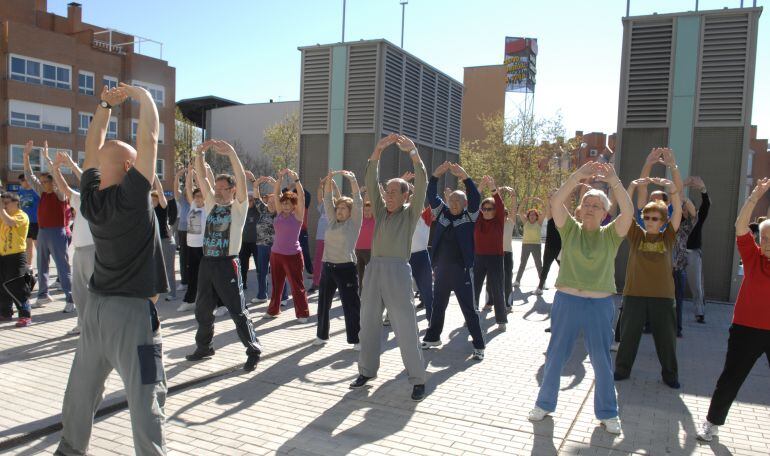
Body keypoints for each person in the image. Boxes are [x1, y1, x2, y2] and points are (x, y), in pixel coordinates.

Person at [57, 83, 168, 455]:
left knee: (81, 391)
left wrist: (104, 105)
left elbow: (91, 148)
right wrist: (142, 97)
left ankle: (69, 449)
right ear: (128, 167)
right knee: (147, 395)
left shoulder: (91, 201)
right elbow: (150, 136)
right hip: (132, 316)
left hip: (96, 310)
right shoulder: (132, 197)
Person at [529, 162, 633, 435]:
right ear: (579, 209)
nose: (589, 208)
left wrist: (613, 181)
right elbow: (556, 200)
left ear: (605, 213)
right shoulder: (570, 229)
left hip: (599, 305)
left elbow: (629, 212)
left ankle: (608, 414)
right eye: (586, 203)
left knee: (601, 360)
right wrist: (578, 176)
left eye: (596, 205)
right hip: (567, 300)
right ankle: (544, 404)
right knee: (555, 356)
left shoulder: (611, 235)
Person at [351, 133, 427, 402]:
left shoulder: (410, 212)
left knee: (406, 326)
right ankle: (366, 371)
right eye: (387, 192)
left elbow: (424, 180)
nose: (388, 195)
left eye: (395, 192)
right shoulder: (382, 212)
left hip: (397, 272)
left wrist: (414, 152)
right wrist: (378, 150)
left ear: (407, 195)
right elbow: (371, 181)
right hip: (374, 270)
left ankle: (417, 379)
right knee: (368, 323)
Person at [696, 178, 770, 442]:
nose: (768, 242)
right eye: (765, 237)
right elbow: (740, 227)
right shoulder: (752, 257)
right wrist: (754, 197)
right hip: (746, 330)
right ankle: (711, 424)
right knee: (731, 379)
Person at [185, 140, 262, 372]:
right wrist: (198, 154)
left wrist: (231, 154)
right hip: (207, 263)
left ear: (233, 190)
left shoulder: (239, 207)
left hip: (228, 264)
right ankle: (204, 346)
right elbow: (200, 177)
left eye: (222, 189)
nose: (217, 191)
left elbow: (239, 176)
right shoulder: (210, 204)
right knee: (202, 309)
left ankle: (253, 350)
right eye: (215, 188)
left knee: (237, 310)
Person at [616, 174, 683, 389]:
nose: (650, 221)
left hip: (662, 297)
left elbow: (678, 213)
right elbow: (626, 213)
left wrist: (673, 190)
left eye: (655, 218)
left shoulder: (668, 236)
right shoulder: (636, 235)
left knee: (666, 340)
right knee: (628, 338)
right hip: (634, 295)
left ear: (663, 221)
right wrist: (631, 187)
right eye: (647, 217)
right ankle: (622, 369)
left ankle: (670, 375)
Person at [421, 161, 486, 359]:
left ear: (465, 204)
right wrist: (435, 175)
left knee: (469, 309)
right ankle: (433, 337)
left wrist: (465, 177)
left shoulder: (470, 216)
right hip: (441, 271)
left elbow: (475, 196)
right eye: (452, 200)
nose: (454, 204)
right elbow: (431, 194)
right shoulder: (442, 213)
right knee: (438, 306)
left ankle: (479, 346)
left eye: (458, 201)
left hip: (462, 272)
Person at [314, 170, 363, 349]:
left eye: (343, 208)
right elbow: (328, 200)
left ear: (351, 212)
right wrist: (329, 180)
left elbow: (357, 200)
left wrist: (352, 179)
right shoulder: (333, 221)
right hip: (328, 267)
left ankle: (356, 339)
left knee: (350, 306)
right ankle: (321, 335)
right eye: (338, 208)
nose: (339, 210)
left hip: (346, 269)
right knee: (323, 305)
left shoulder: (354, 222)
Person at [23, 141, 73, 310]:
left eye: (45, 181)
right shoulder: (42, 192)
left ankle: (70, 300)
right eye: (42, 181)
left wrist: (48, 159)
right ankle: (43, 295)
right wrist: (26, 156)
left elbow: (57, 176)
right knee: (41, 264)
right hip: (43, 233)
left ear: (53, 182)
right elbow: (29, 176)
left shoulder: (60, 194)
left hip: (58, 233)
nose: (42, 183)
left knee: (62, 266)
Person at [50, 152, 95, 336]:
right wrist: (55, 170)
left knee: (96, 292)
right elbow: (65, 188)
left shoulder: (100, 198)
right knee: (78, 293)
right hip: (79, 251)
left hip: (95, 251)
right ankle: (82, 324)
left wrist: (71, 163)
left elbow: (86, 179)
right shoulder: (79, 199)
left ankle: (96, 326)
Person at [265, 168, 310, 321]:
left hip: (293, 256)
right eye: (283, 203)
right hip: (276, 254)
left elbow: (302, 197)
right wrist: (279, 179)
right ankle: (273, 310)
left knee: (297, 286)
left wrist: (296, 180)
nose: (284, 206)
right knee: (277, 285)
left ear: (294, 205)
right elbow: (276, 194)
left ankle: (302, 313)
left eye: (288, 204)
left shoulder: (297, 216)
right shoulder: (278, 213)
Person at [473, 175, 509, 327]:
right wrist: (480, 187)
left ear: (495, 211)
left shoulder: (498, 220)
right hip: (479, 258)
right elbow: (472, 204)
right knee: (474, 288)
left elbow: (500, 205)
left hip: (495, 258)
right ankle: (471, 316)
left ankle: (501, 320)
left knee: (497, 289)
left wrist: (493, 189)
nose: (486, 211)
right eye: (484, 209)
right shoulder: (478, 219)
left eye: (490, 209)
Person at [250, 176, 289, 305]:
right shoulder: (263, 210)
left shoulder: (280, 213)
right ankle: (262, 295)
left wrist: (276, 186)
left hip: (276, 247)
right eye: (269, 201)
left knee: (277, 273)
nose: (271, 203)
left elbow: (284, 200)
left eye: (274, 201)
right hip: (261, 246)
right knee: (261, 271)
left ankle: (283, 297)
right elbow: (256, 199)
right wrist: (256, 185)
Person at [176, 165, 206, 312]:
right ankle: (190, 300)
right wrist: (190, 173)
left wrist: (199, 175)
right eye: (196, 196)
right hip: (191, 246)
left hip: (204, 246)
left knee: (208, 276)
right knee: (192, 274)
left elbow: (203, 187)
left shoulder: (207, 207)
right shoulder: (193, 205)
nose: (198, 198)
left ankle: (220, 304)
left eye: (201, 196)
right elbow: (188, 187)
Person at [0, 192, 32, 327]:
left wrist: (1, 208)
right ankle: (5, 312)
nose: (4, 206)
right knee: (2, 285)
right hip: (3, 255)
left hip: (17, 255)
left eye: (6, 203)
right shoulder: (3, 215)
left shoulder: (21, 215)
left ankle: (25, 315)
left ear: (16, 202)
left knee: (17, 286)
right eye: (3, 203)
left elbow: (10, 222)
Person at [684, 176, 710, 323]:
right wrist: (682, 185)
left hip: (693, 254)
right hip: (677, 254)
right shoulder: (677, 219)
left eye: (688, 207)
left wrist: (703, 189)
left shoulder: (698, 219)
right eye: (684, 207)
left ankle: (699, 312)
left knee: (696, 285)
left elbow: (706, 204)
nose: (686, 209)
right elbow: (672, 198)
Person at [672, 198, 698, 337]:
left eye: (684, 209)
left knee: (678, 301)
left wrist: (684, 199)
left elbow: (695, 215)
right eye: (680, 208)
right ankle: (650, 325)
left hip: (678, 270)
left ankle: (677, 329)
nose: (683, 211)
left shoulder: (686, 226)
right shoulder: (667, 224)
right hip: (663, 270)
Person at [151, 177, 176, 302]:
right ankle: (157, 290)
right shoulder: (148, 210)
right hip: (155, 242)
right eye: (151, 199)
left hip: (166, 241)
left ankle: (172, 293)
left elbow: (160, 192)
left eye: (154, 199)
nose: (152, 201)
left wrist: (155, 178)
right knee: (155, 267)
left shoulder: (162, 208)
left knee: (169, 269)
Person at [309, 177, 335, 294]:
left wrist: (334, 186)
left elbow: (338, 197)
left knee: (332, 261)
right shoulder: (323, 206)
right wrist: (321, 185)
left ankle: (332, 283)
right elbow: (319, 196)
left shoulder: (336, 208)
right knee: (318, 260)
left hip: (333, 239)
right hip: (321, 238)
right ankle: (316, 283)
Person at [514, 197, 545, 291]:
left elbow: (545, 211)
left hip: (536, 245)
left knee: (538, 264)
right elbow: (519, 211)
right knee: (522, 263)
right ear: (528, 216)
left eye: (534, 215)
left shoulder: (539, 222)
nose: (532, 216)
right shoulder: (525, 222)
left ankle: (542, 283)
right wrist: (524, 202)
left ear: (536, 216)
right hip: (526, 245)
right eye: (530, 215)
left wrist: (541, 202)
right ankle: (517, 281)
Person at [238, 171, 260, 290]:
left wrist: (253, 180)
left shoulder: (257, 210)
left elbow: (258, 196)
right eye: (248, 200)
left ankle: (262, 286)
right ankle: (243, 283)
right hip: (244, 242)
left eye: (252, 200)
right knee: (243, 265)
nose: (250, 201)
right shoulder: (243, 209)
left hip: (256, 242)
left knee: (259, 266)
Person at [537, 190, 561, 295]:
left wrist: (558, 196)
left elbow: (564, 205)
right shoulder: (551, 219)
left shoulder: (563, 219)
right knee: (545, 268)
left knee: (564, 268)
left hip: (560, 248)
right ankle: (540, 287)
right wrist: (549, 199)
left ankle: (561, 286)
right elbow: (548, 209)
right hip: (549, 248)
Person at [497, 187, 517, 307]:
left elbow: (514, 209)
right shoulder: (495, 223)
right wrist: (497, 192)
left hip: (507, 253)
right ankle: (490, 302)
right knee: (492, 279)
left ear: (507, 215)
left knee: (507, 278)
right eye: (500, 214)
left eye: (504, 214)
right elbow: (496, 204)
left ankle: (508, 303)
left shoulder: (510, 222)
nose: (502, 216)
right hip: (495, 253)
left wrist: (513, 195)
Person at [17, 174, 39, 272]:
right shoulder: (20, 191)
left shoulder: (36, 191)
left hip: (36, 222)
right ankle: (29, 266)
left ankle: (43, 267)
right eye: (21, 180)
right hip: (25, 223)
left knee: (38, 246)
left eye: (23, 180)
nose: (22, 182)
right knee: (27, 245)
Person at [173, 167, 190, 291]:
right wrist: (178, 175)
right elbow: (175, 189)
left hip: (196, 232)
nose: (186, 192)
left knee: (195, 257)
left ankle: (194, 280)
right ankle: (184, 281)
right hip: (183, 231)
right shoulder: (183, 201)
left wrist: (193, 176)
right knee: (183, 256)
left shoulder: (198, 201)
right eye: (185, 191)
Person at [355, 199, 375, 290]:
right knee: (360, 273)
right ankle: (360, 292)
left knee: (371, 273)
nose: (366, 212)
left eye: (369, 210)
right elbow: (357, 207)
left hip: (370, 251)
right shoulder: (360, 219)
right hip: (358, 250)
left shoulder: (374, 220)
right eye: (365, 210)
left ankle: (372, 291)